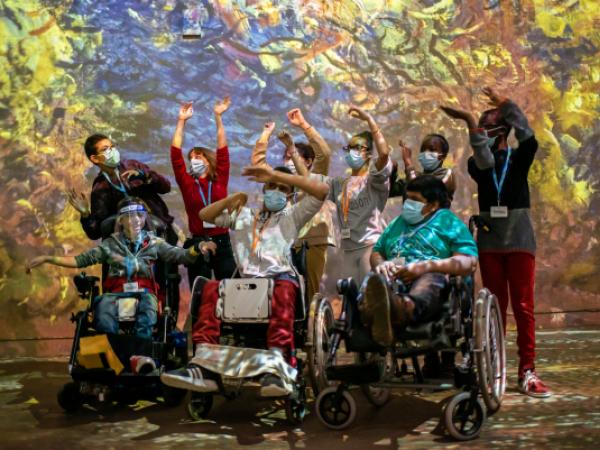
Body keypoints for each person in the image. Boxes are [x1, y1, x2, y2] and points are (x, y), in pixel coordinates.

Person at [161, 125, 330, 397]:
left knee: (283, 290)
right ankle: (204, 367)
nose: (273, 191)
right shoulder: (245, 216)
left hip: (279, 280)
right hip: (246, 282)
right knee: (211, 288)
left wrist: (274, 173)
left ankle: (276, 365)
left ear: (288, 195)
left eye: (280, 188)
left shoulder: (293, 215)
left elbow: (321, 190)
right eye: (269, 186)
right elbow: (205, 214)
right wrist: (232, 198)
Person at [441, 86, 551, 398]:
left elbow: (528, 134)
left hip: (518, 239)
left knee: (523, 306)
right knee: (493, 307)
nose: (482, 134)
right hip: (490, 241)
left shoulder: (520, 158)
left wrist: (506, 104)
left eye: (487, 128)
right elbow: (484, 157)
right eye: (480, 130)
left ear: (502, 131)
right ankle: (493, 364)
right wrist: (468, 122)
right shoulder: (479, 165)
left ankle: (527, 371)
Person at [27, 198, 215, 339]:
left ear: (144, 219)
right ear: (121, 221)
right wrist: (47, 258)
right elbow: (79, 260)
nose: (135, 220)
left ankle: (141, 353)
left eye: (139, 216)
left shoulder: (154, 243)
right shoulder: (110, 244)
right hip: (115, 293)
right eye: (129, 216)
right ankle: (113, 352)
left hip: (144, 292)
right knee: (103, 308)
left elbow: (180, 255)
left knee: (148, 307)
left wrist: (197, 248)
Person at [360, 175, 478, 348]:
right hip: (393, 277)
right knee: (374, 279)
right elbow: (377, 252)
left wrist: (425, 267)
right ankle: (374, 309)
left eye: (415, 200)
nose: (408, 204)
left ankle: (399, 308)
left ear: (433, 205)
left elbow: (469, 261)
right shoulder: (397, 223)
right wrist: (381, 264)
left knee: (430, 280)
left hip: (429, 276)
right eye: (407, 199)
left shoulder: (447, 221)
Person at [67, 134, 178, 308]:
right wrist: (85, 214)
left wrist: (145, 175)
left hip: (159, 235)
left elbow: (165, 186)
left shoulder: (134, 166)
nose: (112, 151)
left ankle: (166, 322)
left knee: (166, 281)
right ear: (94, 159)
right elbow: (96, 231)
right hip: (128, 247)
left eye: (112, 146)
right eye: (105, 149)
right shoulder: (100, 188)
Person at [170, 97, 237, 286]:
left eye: (198, 156)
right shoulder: (187, 182)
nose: (193, 160)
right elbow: (175, 153)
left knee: (231, 290)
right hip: (198, 243)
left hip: (222, 242)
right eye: (191, 158)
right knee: (200, 293)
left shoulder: (219, 178)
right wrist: (181, 121)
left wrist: (218, 117)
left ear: (208, 160)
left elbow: (222, 148)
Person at [273, 108, 336, 301]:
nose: (288, 160)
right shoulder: (286, 186)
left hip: (313, 241)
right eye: (286, 157)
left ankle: (311, 328)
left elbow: (324, 153)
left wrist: (303, 125)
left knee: (311, 293)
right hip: (288, 244)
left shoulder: (316, 176)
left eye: (293, 156)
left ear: (308, 161)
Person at [327, 106, 392, 284]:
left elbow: (385, 153)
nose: (351, 152)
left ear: (369, 153)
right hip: (347, 249)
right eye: (348, 148)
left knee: (369, 297)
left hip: (370, 247)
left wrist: (370, 119)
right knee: (349, 301)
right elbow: (309, 180)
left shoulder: (374, 180)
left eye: (357, 148)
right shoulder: (340, 184)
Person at [389, 135, 456, 201]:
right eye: (423, 150)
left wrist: (408, 162)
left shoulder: (447, 175)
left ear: (443, 156)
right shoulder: (417, 177)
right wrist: (392, 171)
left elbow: (419, 191)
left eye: (432, 150)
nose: (426, 153)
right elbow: (390, 192)